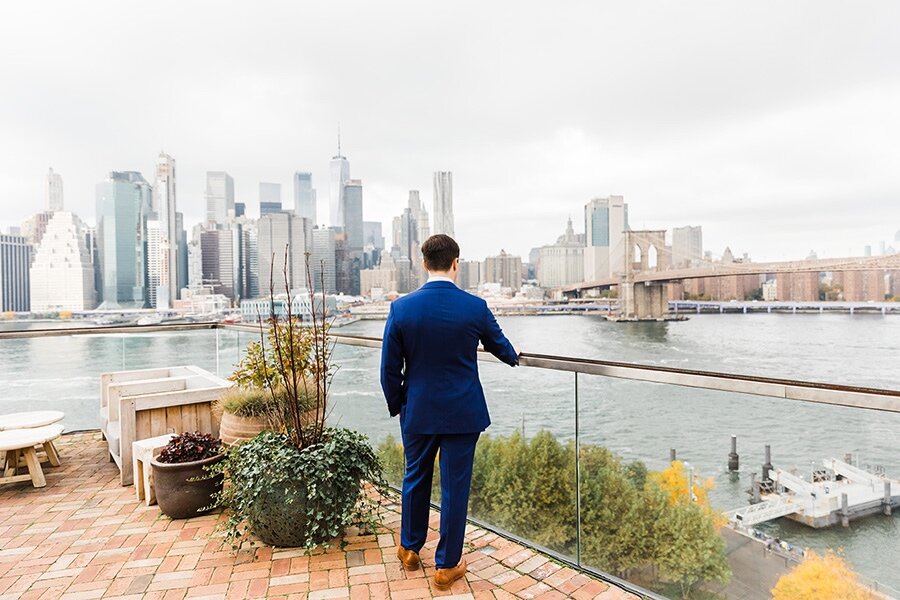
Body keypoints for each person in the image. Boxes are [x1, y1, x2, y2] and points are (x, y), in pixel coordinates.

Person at [380, 234, 519, 590]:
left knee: (415, 477)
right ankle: (446, 566)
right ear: (456, 263)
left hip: (418, 409)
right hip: (462, 411)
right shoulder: (475, 307)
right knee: (455, 487)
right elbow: (503, 350)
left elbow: (389, 370)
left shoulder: (401, 308)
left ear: (423, 263)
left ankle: (410, 549)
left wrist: (400, 405)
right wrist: (515, 355)